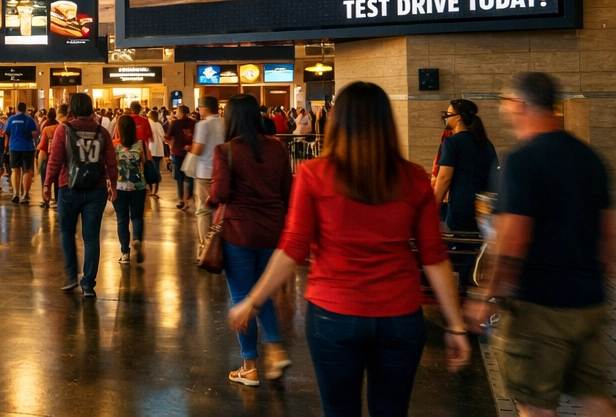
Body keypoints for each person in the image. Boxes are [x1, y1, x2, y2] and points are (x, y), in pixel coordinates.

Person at [228, 81, 470, 415]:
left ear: (337, 121)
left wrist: (252, 302)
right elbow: (433, 255)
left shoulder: (314, 175)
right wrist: (456, 325)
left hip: (333, 315)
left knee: (339, 410)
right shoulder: (413, 178)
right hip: (400, 316)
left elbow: (293, 248)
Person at [470, 72, 614, 417]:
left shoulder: (522, 160)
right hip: (588, 302)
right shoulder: (589, 157)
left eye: (505, 102)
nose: (504, 109)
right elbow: (608, 232)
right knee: (592, 395)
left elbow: (512, 238)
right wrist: (599, 282)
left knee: (534, 404)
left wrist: (487, 297)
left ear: (520, 105)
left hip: (539, 306)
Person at [209, 94, 293, 387]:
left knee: (243, 297)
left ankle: (249, 366)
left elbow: (219, 194)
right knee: (263, 292)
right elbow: (287, 190)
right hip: (272, 232)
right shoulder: (277, 147)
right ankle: (277, 349)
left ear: (231, 118)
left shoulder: (226, 150)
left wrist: (210, 195)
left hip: (238, 233)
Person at [45, 92, 118, 298]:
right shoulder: (101, 131)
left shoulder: (64, 130)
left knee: (67, 231)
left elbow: (55, 160)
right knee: (91, 237)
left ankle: (71, 276)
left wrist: (47, 184)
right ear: (91, 108)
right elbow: (111, 161)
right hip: (96, 189)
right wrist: (113, 184)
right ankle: (88, 284)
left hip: (68, 187)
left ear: (72, 109)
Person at [434, 98, 497, 235]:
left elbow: (444, 177)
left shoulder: (452, 142)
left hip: (461, 208)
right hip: (483, 209)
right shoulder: (486, 144)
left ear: (457, 118)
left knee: (460, 248)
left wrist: (433, 206)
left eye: (448, 114)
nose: (445, 117)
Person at [186, 97, 225, 244]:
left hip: (204, 173)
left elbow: (198, 148)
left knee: (203, 210)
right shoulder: (225, 123)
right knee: (218, 210)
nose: (199, 111)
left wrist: (190, 150)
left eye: (200, 108)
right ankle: (218, 245)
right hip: (221, 172)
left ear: (205, 108)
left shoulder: (202, 125)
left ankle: (204, 247)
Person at [113, 108, 149, 264]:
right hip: (138, 186)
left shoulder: (114, 145)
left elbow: (110, 165)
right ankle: (137, 239)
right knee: (136, 216)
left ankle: (125, 253)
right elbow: (146, 163)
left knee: (122, 219)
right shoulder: (141, 144)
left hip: (119, 187)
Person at [3, 102, 41, 204]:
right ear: (26, 109)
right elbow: (35, 134)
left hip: (14, 147)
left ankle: (15, 193)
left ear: (16, 109)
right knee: (26, 171)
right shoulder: (30, 120)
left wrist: (6, 147)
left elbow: (6, 132)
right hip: (27, 148)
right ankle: (25, 195)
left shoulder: (11, 119)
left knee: (15, 171)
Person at [168, 105, 196, 210]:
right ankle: (188, 198)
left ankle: (181, 199)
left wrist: (170, 143)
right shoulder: (194, 123)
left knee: (179, 177)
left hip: (177, 152)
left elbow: (167, 137)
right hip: (191, 151)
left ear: (180, 113)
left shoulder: (175, 123)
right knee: (189, 176)